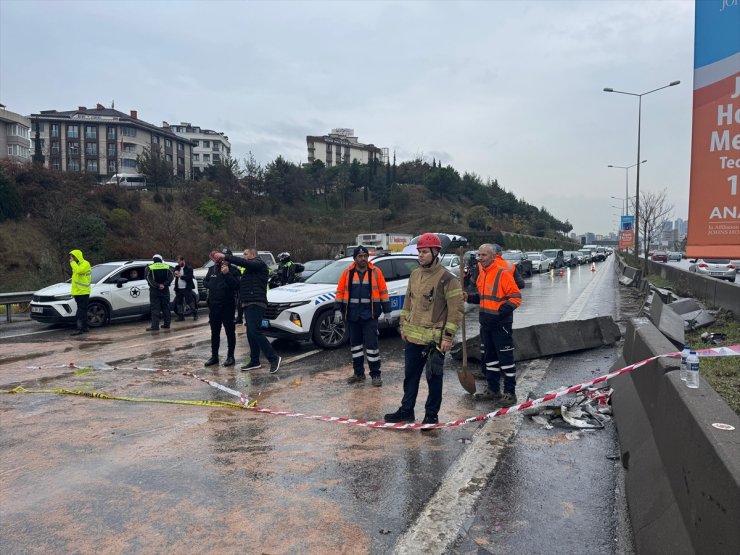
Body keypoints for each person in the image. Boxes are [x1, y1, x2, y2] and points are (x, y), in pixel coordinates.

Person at [384, 233, 463, 427]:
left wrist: (448, 337)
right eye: (419, 252)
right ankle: (406, 411)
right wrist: (403, 324)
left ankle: (431, 415)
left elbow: (456, 311)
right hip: (412, 338)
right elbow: (408, 302)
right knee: (410, 377)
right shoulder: (415, 275)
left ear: (436, 252)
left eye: (425, 252)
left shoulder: (447, 279)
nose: (420, 255)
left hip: (434, 341)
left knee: (433, 379)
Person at [465, 243, 522, 407]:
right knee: (489, 358)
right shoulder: (483, 273)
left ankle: (510, 393)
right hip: (486, 323)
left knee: (505, 359)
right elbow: (483, 298)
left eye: (483, 255)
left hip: (500, 324)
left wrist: (499, 313)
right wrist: (468, 297)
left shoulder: (502, 273)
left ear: (493, 256)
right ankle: (493, 389)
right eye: (479, 255)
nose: (480, 258)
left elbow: (516, 298)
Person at [213, 248, 282, 373]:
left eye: (245, 254)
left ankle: (274, 358)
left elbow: (243, 263)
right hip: (247, 304)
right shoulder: (249, 270)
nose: (244, 256)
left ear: (253, 255)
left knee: (255, 331)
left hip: (256, 302)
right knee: (251, 333)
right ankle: (254, 361)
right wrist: (226, 273)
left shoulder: (258, 264)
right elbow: (237, 286)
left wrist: (225, 256)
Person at [334, 245, 391, 387]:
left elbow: (383, 292)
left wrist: (387, 311)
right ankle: (358, 374)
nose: (363, 258)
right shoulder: (347, 273)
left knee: (372, 347)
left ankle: (376, 375)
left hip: (370, 315)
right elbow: (340, 292)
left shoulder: (376, 272)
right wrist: (337, 310)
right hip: (352, 315)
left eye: (365, 256)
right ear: (355, 259)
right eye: (360, 256)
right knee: (356, 347)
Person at [203, 251, 240, 366]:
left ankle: (230, 357)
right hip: (214, 306)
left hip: (227, 306)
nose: (220, 260)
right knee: (215, 332)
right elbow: (205, 281)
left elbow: (237, 285)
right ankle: (214, 356)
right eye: (219, 257)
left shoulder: (233, 270)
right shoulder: (212, 269)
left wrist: (227, 274)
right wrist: (211, 285)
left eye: (223, 257)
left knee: (230, 332)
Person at [145, 254, 174, 331]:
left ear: (153, 259)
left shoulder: (150, 267)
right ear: (161, 259)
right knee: (166, 307)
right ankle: (167, 324)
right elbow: (172, 276)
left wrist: (158, 285)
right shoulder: (167, 266)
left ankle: (155, 326)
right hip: (165, 290)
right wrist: (164, 284)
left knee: (155, 308)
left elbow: (148, 278)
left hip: (155, 291)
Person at [68, 249, 91, 336]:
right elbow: (75, 280)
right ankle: (85, 327)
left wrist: (72, 263)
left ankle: (79, 329)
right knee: (83, 310)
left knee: (80, 311)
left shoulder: (85, 264)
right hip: (78, 292)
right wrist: (73, 293)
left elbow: (79, 271)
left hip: (84, 292)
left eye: (73, 256)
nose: (71, 258)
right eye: (71, 257)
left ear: (77, 256)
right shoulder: (76, 265)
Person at [173, 255, 198, 321]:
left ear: (183, 261)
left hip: (186, 288)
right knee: (179, 302)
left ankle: (195, 313)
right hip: (178, 288)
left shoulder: (189, 268)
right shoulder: (177, 267)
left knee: (189, 301)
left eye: (179, 262)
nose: (178, 263)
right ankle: (180, 316)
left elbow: (189, 277)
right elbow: (174, 271)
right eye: (177, 262)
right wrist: (175, 272)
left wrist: (181, 276)